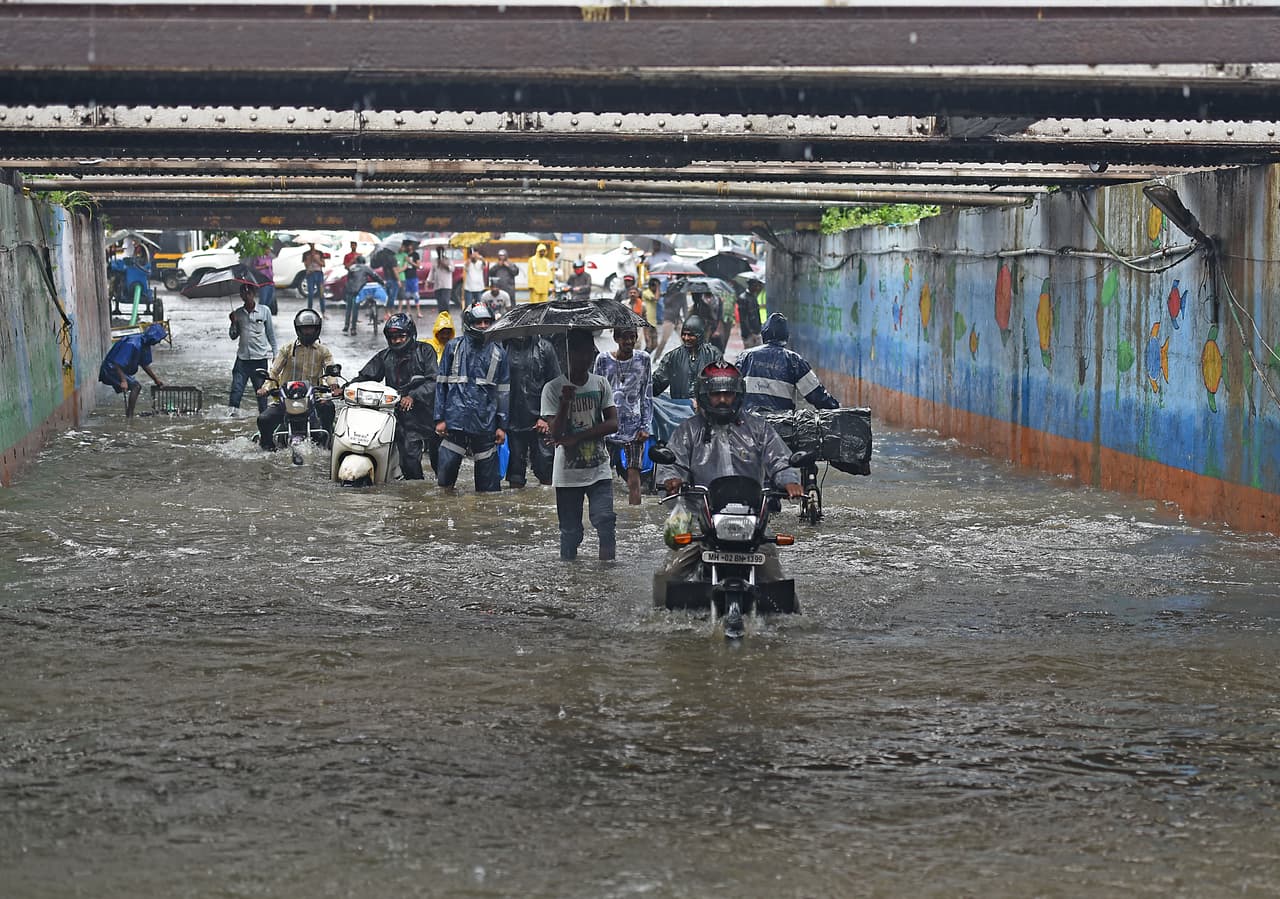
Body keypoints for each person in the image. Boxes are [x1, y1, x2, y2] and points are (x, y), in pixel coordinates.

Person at [655, 361, 802, 581]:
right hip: (699, 518)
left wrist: (789, 481)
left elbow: (780, 459)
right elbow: (672, 463)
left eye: (728, 394)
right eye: (716, 394)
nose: (722, 400)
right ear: (704, 395)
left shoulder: (759, 428)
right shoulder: (688, 430)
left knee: (777, 581)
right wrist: (672, 479)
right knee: (669, 575)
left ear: (738, 394)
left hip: (750, 518)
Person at [538, 329, 618, 561]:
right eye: (578, 353)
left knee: (606, 524)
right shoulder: (552, 389)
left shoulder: (601, 384)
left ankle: (607, 576)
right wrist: (564, 403)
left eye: (588, 353)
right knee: (570, 533)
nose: (584, 359)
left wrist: (579, 437)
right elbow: (555, 432)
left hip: (599, 469)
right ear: (567, 356)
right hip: (567, 474)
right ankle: (570, 578)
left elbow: (613, 423)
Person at [434, 303, 510, 492]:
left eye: (487, 322)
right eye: (479, 322)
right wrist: (440, 418)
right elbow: (441, 385)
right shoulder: (453, 347)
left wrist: (502, 426)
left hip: (485, 422)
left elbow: (504, 393)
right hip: (455, 420)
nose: (484, 326)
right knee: (445, 478)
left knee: (488, 487)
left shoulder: (499, 353)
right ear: (469, 323)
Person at [352, 313, 438, 480]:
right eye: (393, 337)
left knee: (440, 462)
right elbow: (366, 376)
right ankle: (416, 493)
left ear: (411, 334)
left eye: (401, 336)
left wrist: (413, 395)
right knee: (409, 463)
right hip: (403, 416)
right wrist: (346, 388)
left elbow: (434, 380)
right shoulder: (385, 356)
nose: (397, 341)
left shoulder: (425, 351)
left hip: (429, 413)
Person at [255, 308, 340, 450]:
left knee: (328, 407)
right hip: (286, 400)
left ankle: (328, 442)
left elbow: (330, 371)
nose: (308, 332)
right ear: (298, 329)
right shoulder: (287, 349)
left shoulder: (323, 351)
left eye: (311, 329)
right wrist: (266, 388)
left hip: (313, 399)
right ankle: (267, 447)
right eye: (305, 329)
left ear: (317, 329)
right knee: (264, 420)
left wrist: (334, 386)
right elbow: (274, 373)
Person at [592, 327, 652, 504]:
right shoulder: (603, 360)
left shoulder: (643, 359)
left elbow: (647, 394)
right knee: (600, 477)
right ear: (616, 338)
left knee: (634, 479)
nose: (629, 342)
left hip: (634, 429)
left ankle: (635, 518)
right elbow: (596, 393)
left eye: (633, 337)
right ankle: (601, 514)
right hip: (607, 426)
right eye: (625, 338)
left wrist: (645, 426)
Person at [736, 313, 840, 414]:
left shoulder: (746, 356)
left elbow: (732, 391)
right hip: (781, 424)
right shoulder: (794, 360)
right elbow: (817, 395)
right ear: (786, 337)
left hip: (748, 423)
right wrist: (837, 409)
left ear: (764, 334)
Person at [504, 333, 560, 488]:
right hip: (513, 419)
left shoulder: (545, 348)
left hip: (540, 422)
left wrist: (545, 416)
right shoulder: (504, 347)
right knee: (515, 472)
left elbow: (555, 385)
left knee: (546, 468)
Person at [228, 282, 277, 414]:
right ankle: (232, 417)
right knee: (236, 390)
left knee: (261, 392)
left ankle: (264, 417)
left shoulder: (264, 311)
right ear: (241, 295)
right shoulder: (238, 313)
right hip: (242, 358)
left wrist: (275, 354)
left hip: (259, 358)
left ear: (254, 294)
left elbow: (270, 334)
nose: (246, 296)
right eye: (243, 293)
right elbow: (233, 336)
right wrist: (233, 323)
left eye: (249, 292)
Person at [98, 322, 166, 417]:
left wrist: (156, 380)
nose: (158, 342)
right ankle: (130, 416)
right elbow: (117, 362)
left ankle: (129, 414)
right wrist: (123, 380)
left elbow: (144, 364)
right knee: (136, 386)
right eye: (158, 340)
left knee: (134, 386)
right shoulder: (132, 343)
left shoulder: (145, 345)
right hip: (111, 368)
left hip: (119, 369)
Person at [342, 255, 385, 334]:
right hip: (358, 290)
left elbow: (348, 278)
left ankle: (346, 326)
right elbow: (374, 276)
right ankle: (353, 328)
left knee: (348, 308)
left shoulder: (352, 267)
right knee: (355, 309)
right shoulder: (365, 268)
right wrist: (382, 282)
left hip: (349, 289)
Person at [428, 245, 455, 314]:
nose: (439, 252)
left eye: (440, 251)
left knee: (445, 301)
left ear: (443, 252)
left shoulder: (448, 260)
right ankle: (441, 317)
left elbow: (452, 269)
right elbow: (432, 271)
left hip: (446, 285)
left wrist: (444, 264)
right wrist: (428, 281)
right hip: (437, 285)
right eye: (438, 251)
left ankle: (447, 316)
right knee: (440, 303)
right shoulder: (435, 261)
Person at [302, 243, 327, 314]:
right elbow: (306, 265)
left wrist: (316, 259)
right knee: (310, 293)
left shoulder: (320, 253)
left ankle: (323, 311)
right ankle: (309, 310)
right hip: (310, 274)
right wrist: (310, 258)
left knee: (321, 293)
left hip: (319, 274)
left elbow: (323, 264)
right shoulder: (306, 254)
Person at [640, 277, 661, 352]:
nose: (658, 289)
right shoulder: (646, 293)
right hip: (647, 321)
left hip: (653, 322)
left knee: (655, 344)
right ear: (652, 286)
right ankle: (642, 359)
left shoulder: (653, 292)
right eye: (657, 287)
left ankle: (644, 357)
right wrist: (658, 287)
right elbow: (656, 298)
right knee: (649, 344)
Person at [400, 250, 421, 318]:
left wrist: (410, 262)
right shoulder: (404, 255)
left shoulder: (415, 254)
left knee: (416, 295)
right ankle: (409, 311)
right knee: (407, 295)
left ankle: (418, 312)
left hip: (413, 277)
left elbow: (418, 266)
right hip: (406, 277)